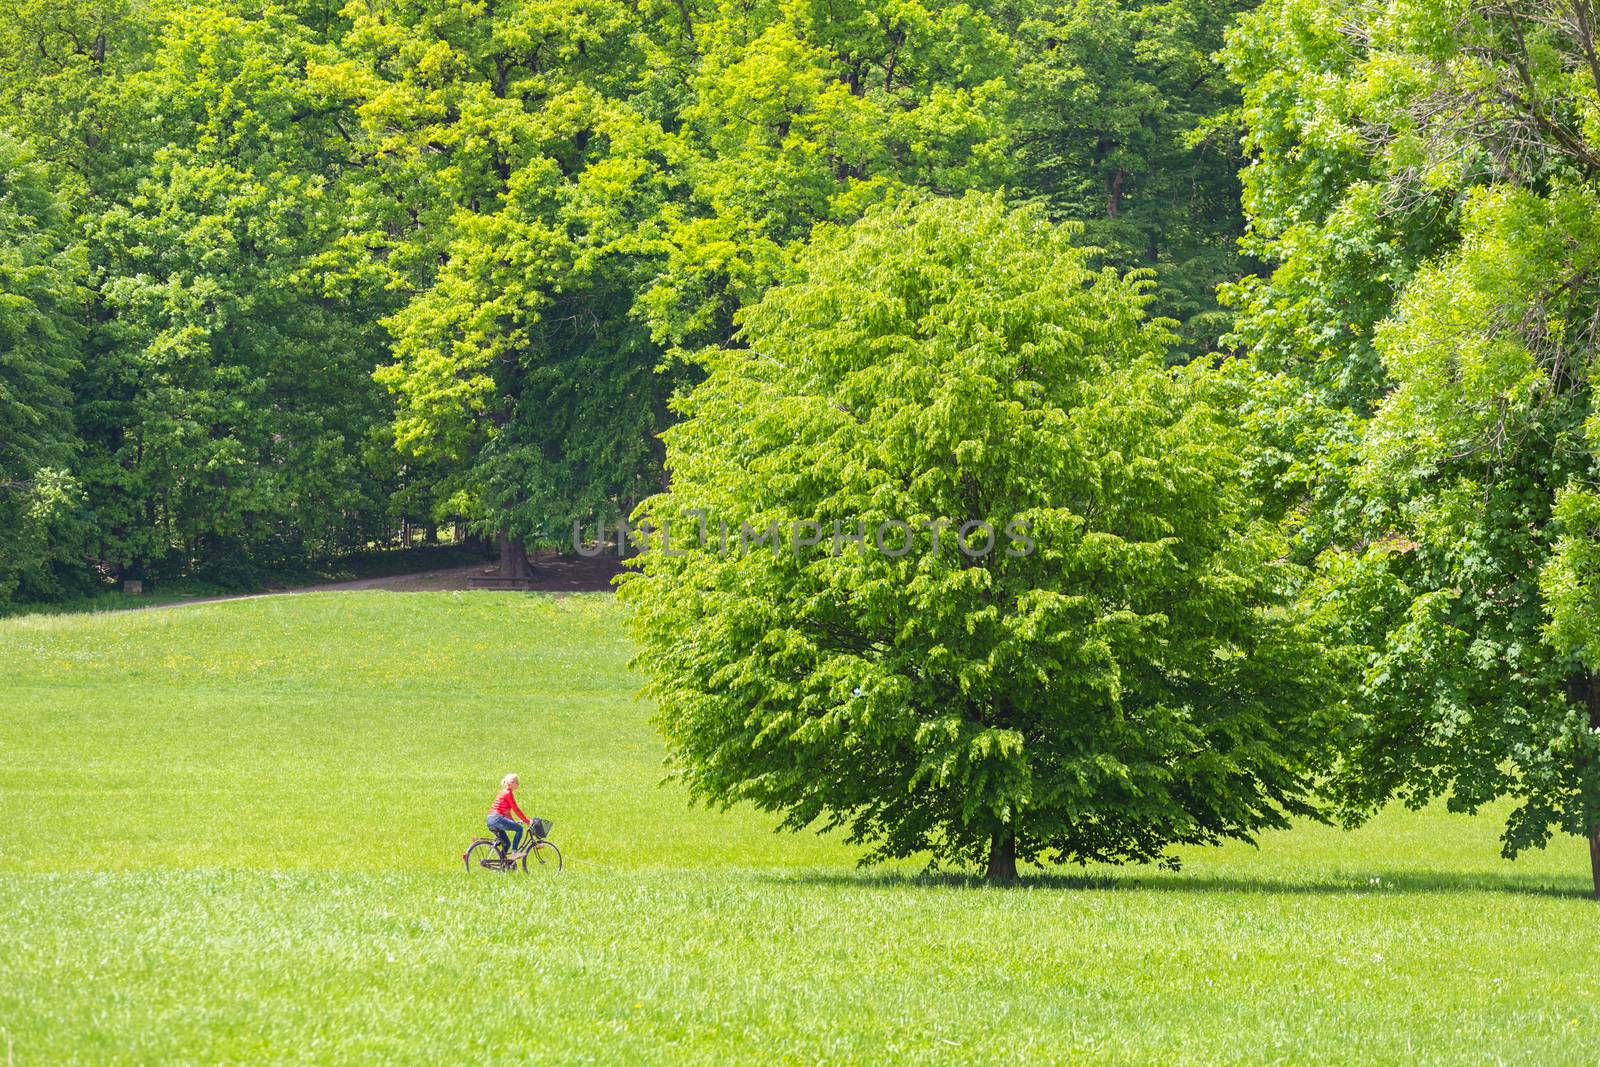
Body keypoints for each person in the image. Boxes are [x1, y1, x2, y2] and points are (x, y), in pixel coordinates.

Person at [486, 773, 529, 856]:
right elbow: (516, 809)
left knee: (506, 844)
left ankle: (502, 864)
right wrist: (527, 821)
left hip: (491, 819)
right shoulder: (508, 793)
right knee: (519, 829)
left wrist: (513, 822)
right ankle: (514, 852)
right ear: (512, 783)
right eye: (517, 782)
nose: (518, 784)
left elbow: (507, 813)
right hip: (497, 818)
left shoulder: (503, 792)